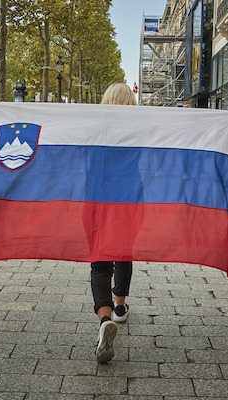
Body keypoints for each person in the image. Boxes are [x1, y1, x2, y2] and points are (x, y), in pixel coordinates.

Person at [90, 83, 138, 363]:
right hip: (130, 199)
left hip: (97, 198)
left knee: (100, 260)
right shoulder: (137, 130)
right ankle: (120, 308)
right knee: (123, 252)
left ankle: (104, 317)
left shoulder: (95, 128)